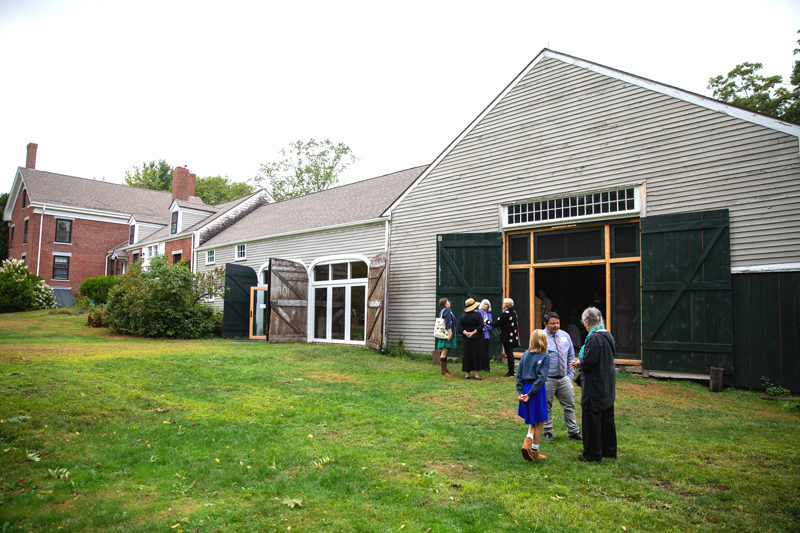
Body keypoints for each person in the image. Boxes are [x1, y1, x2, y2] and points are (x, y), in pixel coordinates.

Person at [571, 306, 617, 463]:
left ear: (586, 321)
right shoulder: (607, 335)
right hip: (607, 383)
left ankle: (592, 454)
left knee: (592, 420)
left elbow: (589, 361)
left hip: (594, 385)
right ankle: (609, 450)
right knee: (607, 419)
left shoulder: (593, 338)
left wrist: (579, 363)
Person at [542, 312, 583, 442]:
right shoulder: (541, 337)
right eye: (552, 323)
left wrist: (570, 375)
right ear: (546, 324)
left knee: (569, 405)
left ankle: (573, 432)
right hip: (547, 378)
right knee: (546, 405)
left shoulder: (565, 336)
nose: (556, 326)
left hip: (564, 378)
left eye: (557, 323)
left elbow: (571, 356)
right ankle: (547, 432)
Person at [516, 329, 550, 461]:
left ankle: (528, 445)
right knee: (539, 420)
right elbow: (541, 378)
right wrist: (530, 394)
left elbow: (519, 374)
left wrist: (521, 392)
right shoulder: (545, 357)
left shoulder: (525, 354)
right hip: (536, 390)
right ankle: (533, 449)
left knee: (532, 420)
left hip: (525, 387)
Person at [491, 298, 520, 377]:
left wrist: (488, 322)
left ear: (506, 305)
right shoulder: (513, 312)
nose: (502, 304)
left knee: (509, 354)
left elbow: (496, 324)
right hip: (513, 336)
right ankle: (512, 371)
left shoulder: (505, 314)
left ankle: (511, 372)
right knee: (511, 353)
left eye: (504, 303)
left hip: (507, 336)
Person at [459, 298, 486, 380]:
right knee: (476, 354)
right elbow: (481, 326)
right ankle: (476, 375)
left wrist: (466, 333)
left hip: (466, 339)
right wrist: (473, 332)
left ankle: (467, 375)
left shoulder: (463, 315)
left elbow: (460, 327)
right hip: (477, 338)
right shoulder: (478, 315)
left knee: (467, 355)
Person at [435, 297, 455, 376]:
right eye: (448, 301)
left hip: (443, 334)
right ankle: (444, 371)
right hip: (446, 334)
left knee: (445, 351)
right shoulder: (447, 310)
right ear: (445, 304)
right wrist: (450, 333)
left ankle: (444, 370)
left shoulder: (442, 311)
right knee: (445, 351)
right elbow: (448, 323)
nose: (449, 302)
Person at [478, 299, 493, 371]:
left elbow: (490, 325)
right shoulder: (477, 313)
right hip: (478, 334)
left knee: (485, 351)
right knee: (478, 351)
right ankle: (479, 366)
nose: (486, 306)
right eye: (484, 304)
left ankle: (486, 367)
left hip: (485, 335)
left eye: (487, 304)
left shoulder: (489, 315)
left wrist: (484, 327)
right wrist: (483, 325)